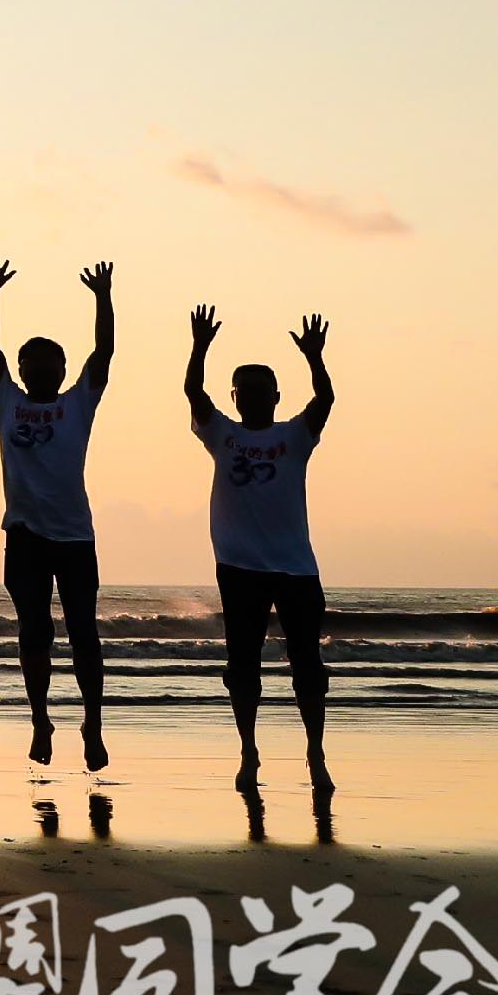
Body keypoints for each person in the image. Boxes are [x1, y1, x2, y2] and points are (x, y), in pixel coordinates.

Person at [185, 304, 337, 797]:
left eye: (260, 390)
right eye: (243, 391)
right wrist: (199, 348)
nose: (251, 397)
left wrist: (314, 358)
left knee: (307, 665)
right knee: (243, 666)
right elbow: (194, 393)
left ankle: (315, 751)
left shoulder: (294, 435)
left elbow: (325, 399)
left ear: (275, 396)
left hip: (296, 568)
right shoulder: (222, 435)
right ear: (235, 397)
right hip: (240, 567)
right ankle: (248, 751)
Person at [0, 254, 116, 771]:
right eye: (30, 363)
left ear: (62, 369)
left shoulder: (77, 403)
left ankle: (92, 723)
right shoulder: (7, 402)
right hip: (25, 536)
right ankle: (40, 718)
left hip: (75, 536)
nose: (39, 369)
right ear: (21, 370)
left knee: (84, 633)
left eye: (49, 363)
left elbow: (103, 352)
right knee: (35, 631)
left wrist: (103, 298)